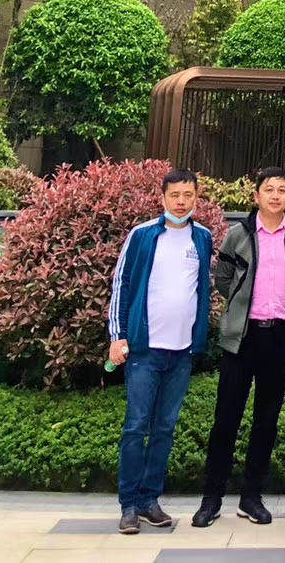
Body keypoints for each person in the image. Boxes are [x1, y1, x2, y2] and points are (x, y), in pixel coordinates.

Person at [192, 167, 285, 529]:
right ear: (256, 196)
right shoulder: (238, 235)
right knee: (226, 419)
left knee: (266, 420)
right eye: (268, 189)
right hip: (243, 338)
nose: (275, 195)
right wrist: (241, 306)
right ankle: (212, 498)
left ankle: (251, 497)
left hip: (279, 337)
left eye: (282, 190)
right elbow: (222, 279)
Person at [109, 167, 214, 535]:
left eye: (188, 195)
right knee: (136, 427)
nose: (181, 202)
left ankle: (149, 500)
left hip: (181, 352)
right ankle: (128, 505)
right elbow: (122, 284)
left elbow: (202, 289)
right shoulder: (142, 235)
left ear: (196, 197)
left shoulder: (203, 237)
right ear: (163, 197)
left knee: (165, 429)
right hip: (144, 350)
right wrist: (118, 335)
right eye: (174, 195)